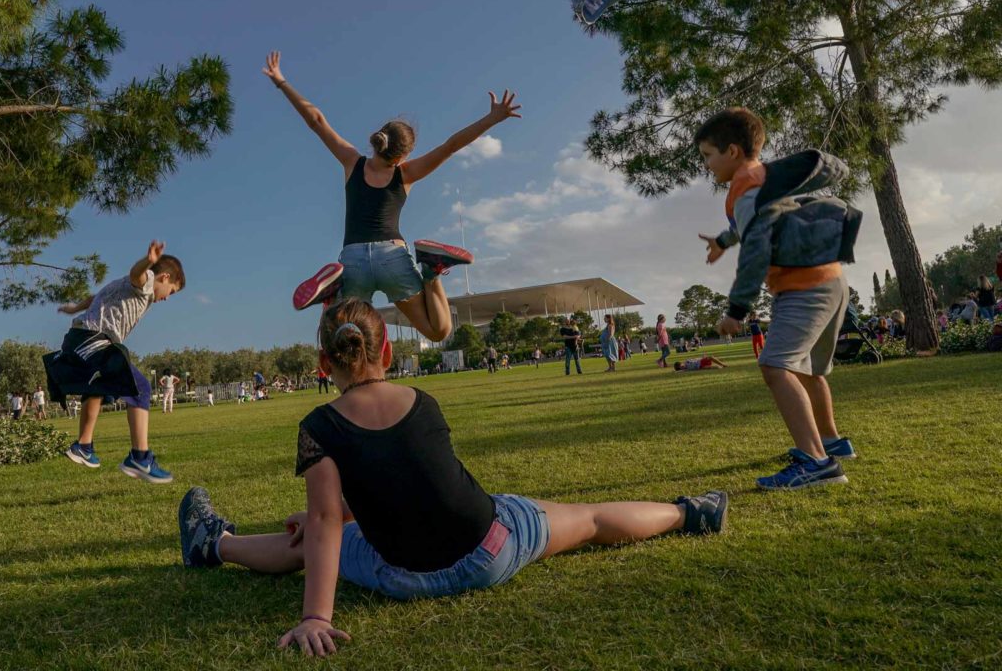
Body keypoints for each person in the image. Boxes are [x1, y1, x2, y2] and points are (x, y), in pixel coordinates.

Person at [176, 300, 728, 657]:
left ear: (325, 365)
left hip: (398, 574)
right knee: (587, 518)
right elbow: (418, 482)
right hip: (489, 553)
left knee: (309, 541)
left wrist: (316, 615)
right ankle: (690, 513)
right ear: (386, 350)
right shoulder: (423, 400)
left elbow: (323, 520)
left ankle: (214, 543)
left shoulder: (318, 425)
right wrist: (338, 520)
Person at [269, 51, 521, 340]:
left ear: (378, 140)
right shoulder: (405, 173)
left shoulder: (353, 162)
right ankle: (431, 269)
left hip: (353, 262)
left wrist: (281, 81)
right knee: (438, 330)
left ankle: (330, 298)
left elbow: (316, 121)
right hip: (392, 258)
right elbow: (451, 145)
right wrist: (492, 118)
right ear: (403, 155)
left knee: (337, 335)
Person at [696, 107, 856, 490]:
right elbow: (752, 224)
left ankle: (817, 463)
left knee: (774, 366)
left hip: (803, 288)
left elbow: (756, 247)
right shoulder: (765, 180)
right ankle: (831, 442)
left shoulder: (745, 187)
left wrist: (737, 309)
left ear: (732, 151)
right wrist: (721, 241)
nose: (706, 165)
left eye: (707, 155)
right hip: (832, 281)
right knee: (808, 370)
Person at [44, 240, 183, 484]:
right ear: (164, 277)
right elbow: (136, 275)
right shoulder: (147, 284)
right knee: (141, 388)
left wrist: (74, 308)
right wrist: (148, 261)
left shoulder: (118, 286)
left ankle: (83, 446)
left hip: (78, 338)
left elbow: (94, 297)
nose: (167, 298)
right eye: (171, 291)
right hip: (94, 339)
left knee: (97, 388)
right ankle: (140, 457)